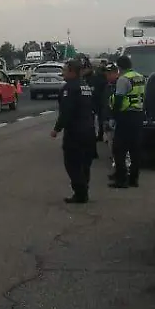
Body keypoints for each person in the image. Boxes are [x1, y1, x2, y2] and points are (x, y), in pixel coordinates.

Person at [50, 59, 98, 203]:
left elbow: (66, 112)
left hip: (75, 132)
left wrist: (56, 129)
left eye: (64, 70)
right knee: (85, 163)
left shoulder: (69, 88)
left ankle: (80, 192)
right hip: (89, 130)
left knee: (72, 163)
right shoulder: (86, 86)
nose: (62, 73)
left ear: (72, 71)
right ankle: (84, 190)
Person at [109, 54, 146, 188]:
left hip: (126, 116)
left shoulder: (123, 79)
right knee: (135, 149)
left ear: (119, 67)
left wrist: (114, 116)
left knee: (119, 149)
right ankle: (134, 179)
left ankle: (121, 179)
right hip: (138, 115)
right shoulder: (140, 77)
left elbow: (119, 99)